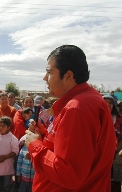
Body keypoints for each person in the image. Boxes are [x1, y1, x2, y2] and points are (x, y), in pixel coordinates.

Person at [25, 45, 116, 191]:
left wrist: (35, 146)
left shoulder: (78, 108)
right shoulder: (86, 101)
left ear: (68, 76)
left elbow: (68, 174)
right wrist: (43, 137)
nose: (44, 78)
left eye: (49, 72)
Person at [103, 95, 122, 192]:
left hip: (116, 154)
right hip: (101, 155)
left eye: (110, 103)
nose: (107, 104)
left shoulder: (119, 119)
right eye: (105, 102)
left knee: (115, 181)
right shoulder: (96, 117)